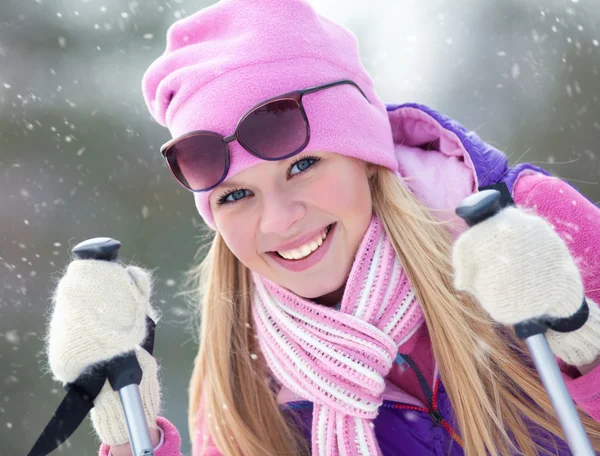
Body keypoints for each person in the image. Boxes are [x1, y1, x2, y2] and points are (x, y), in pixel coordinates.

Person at [44, 0, 600, 455]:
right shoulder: (245, 369)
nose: (281, 219)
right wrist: (126, 432)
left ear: (365, 153)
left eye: (303, 166)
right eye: (237, 195)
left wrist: (580, 336)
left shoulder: (525, 227)